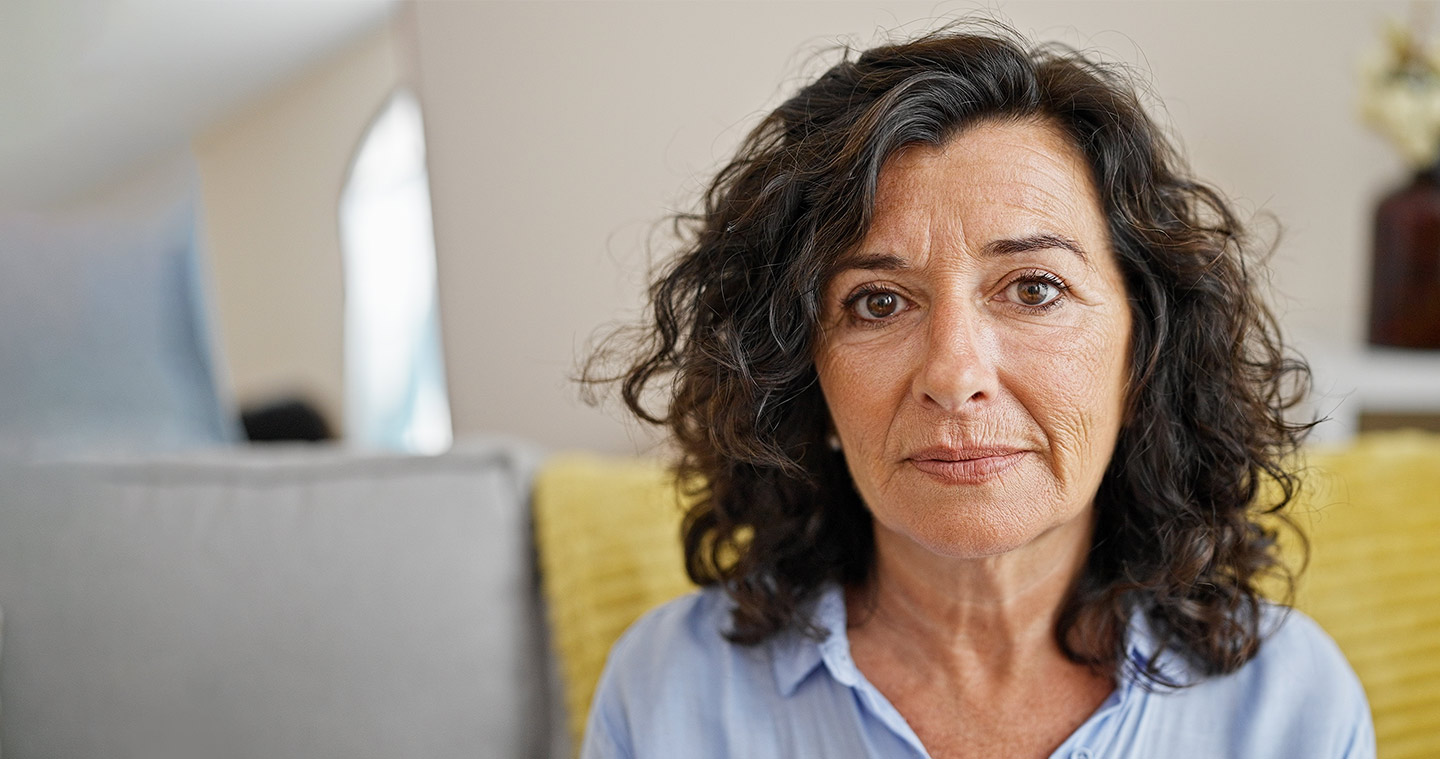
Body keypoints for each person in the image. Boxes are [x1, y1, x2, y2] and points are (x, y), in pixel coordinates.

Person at [581, 23, 1374, 759]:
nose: (955, 374)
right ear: (801, 375)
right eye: (877, 302)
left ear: (1144, 356)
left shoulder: (1289, 707)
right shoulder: (668, 694)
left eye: (1033, 288)